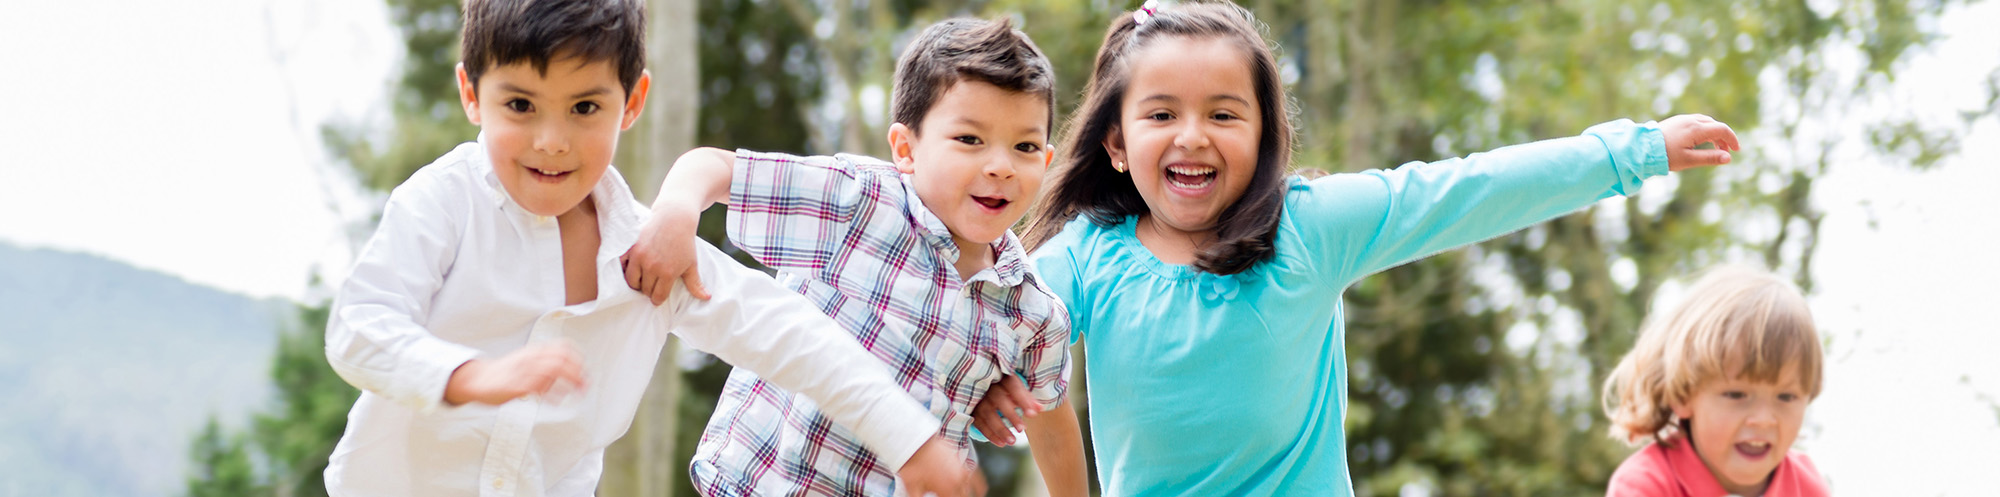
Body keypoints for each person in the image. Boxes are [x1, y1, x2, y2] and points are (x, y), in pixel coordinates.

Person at [973, 1, 1743, 494]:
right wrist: (989, 395)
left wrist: (1635, 151)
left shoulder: (1308, 227)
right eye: (1162, 113)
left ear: (1265, 134)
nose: (1193, 135)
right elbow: (985, 347)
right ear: (1115, 140)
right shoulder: (1083, 259)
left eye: (1225, 113)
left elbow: (1467, 189)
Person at [320, 1, 967, 495]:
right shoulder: (444, 200)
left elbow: (792, 335)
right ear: (471, 94)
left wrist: (907, 437)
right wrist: (472, 376)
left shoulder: (651, 253)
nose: (551, 140)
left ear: (631, 103)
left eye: (583, 107)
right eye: (520, 104)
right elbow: (359, 327)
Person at [619, 17, 1088, 497]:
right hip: (762, 481)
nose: (1001, 166)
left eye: (1025, 147)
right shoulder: (860, 202)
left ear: (1046, 162)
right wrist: (676, 209)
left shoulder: (1032, 311)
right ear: (906, 148)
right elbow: (714, 167)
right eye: (969, 139)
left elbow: (1051, 422)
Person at [1602, 266, 1828, 496]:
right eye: (1737, 395)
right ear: (1682, 394)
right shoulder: (1645, 485)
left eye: (1786, 397)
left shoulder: (1807, 486)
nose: (1763, 420)